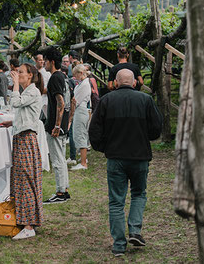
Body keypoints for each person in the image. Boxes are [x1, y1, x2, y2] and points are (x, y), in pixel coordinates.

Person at [89, 69, 163, 257]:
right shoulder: (145, 100)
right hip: (139, 156)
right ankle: (135, 230)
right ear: (134, 82)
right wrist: (144, 137)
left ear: (115, 82)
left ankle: (119, 244)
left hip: (116, 157)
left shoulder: (106, 100)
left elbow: (95, 129)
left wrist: (103, 147)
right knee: (139, 194)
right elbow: (156, 128)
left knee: (116, 201)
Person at [0, 64, 44, 239]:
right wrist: (12, 123)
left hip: (26, 139)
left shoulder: (32, 91)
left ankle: (28, 226)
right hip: (21, 136)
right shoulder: (29, 92)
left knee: (25, 180)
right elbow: (26, 114)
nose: (17, 75)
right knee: (20, 179)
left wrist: (15, 84)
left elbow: (15, 103)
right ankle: (24, 220)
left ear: (30, 75)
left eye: (20, 73)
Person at [41, 46, 74, 204]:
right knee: (61, 159)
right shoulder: (65, 77)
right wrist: (68, 121)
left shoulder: (55, 78)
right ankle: (64, 189)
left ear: (51, 61)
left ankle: (60, 193)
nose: (44, 64)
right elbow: (72, 101)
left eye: (45, 61)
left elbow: (60, 102)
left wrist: (57, 125)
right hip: (62, 126)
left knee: (57, 160)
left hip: (56, 126)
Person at [69, 64, 91, 171]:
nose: (75, 77)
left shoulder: (85, 84)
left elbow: (75, 100)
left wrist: (73, 103)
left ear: (80, 73)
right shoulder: (81, 84)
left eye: (76, 74)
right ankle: (82, 159)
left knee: (81, 134)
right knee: (78, 134)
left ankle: (83, 163)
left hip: (81, 110)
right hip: (80, 110)